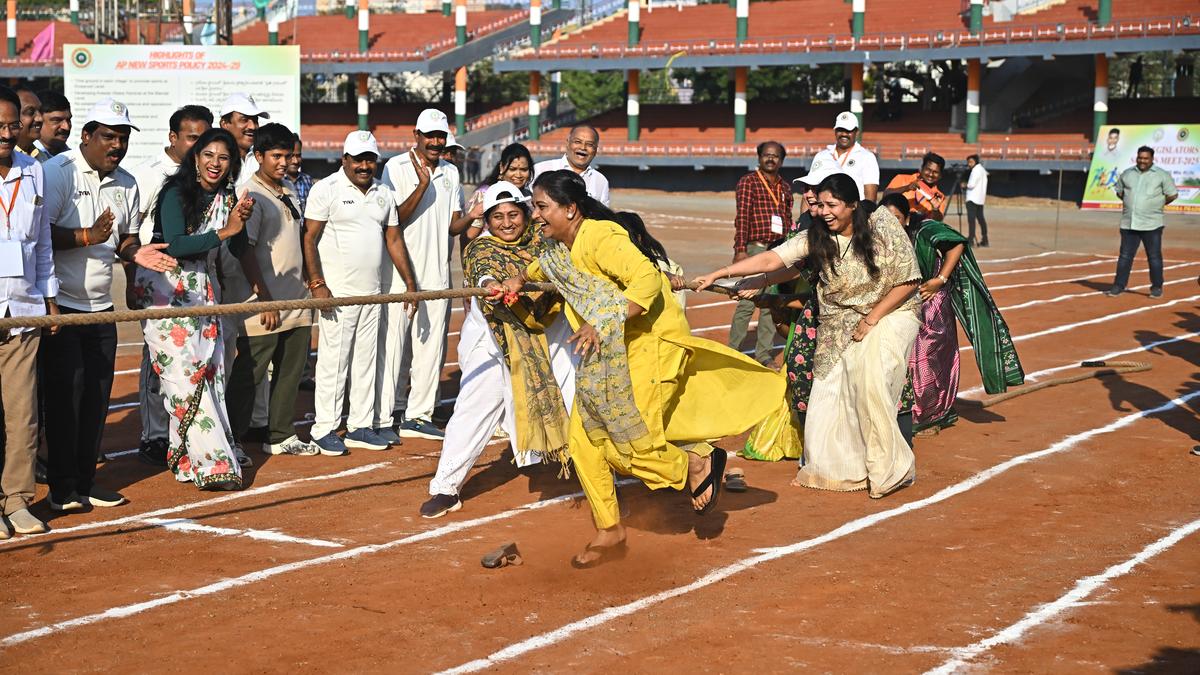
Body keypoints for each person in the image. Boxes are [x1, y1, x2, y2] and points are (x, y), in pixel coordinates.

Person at [500, 170, 783, 568]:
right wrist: (515, 278)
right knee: (582, 442)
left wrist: (602, 322)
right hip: (609, 355)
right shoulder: (563, 245)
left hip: (650, 349)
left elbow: (647, 280)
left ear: (570, 209)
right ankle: (610, 528)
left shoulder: (602, 237)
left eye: (541, 206)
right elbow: (547, 267)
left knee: (633, 446)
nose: (535, 214)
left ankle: (695, 463)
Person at [695, 173, 921, 499]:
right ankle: (840, 471)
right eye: (820, 205)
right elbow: (774, 259)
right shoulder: (815, 235)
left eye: (832, 205)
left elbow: (909, 281)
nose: (824, 211)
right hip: (839, 319)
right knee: (827, 393)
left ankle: (892, 469)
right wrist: (723, 273)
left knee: (870, 373)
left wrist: (872, 320)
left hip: (892, 311)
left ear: (853, 205)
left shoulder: (881, 223)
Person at [42, 97, 173, 509]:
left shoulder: (129, 183)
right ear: (87, 136)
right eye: (108, 137)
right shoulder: (56, 173)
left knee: (97, 396)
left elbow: (126, 240)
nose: (116, 146)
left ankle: (85, 481)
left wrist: (137, 256)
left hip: (103, 308)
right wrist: (85, 237)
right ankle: (62, 488)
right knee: (66, 400)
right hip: (61, 308)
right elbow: (39, 237)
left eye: (122, 138)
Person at [420, 181, 579, 518]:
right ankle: (446, 488)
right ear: (488, 221)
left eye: (513, 215)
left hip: (543, 336)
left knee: (575, 392)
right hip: (493, 343)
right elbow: (483, 274)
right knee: (473, 410)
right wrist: (491, 286)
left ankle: (584, 465)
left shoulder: (543, 240)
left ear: (525, 214)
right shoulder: (480, 249)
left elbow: (566, 264)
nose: (507, 223)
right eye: (497, 217)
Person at [132, 128, 253, 491]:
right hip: (165, 288)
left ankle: (185, 456)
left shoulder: (226, 196)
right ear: (196, 157)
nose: (215, 163)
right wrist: (224, 232)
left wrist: (239, 219)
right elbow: (178, 244)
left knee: (210, 371)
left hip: (201, 289)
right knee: (183, 378)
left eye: (224, 157)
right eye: (209, 155)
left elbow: (235, 245)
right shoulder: (174, 191)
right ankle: (213, 462)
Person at [303, 131, 418, 455]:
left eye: (370, 159)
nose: (365, 166)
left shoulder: (384, 193)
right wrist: (317, 283)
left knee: (367, 360)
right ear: (345, 160)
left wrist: (410, 285)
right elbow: (309, 238)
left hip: (373, 293)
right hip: (338, 294)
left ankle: (359, 425)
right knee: (334, 363)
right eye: (358, 159)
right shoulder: (325, 189)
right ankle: (324, 427)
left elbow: (393, 239)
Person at [882, 194, 1024, 434]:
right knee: (903, 356)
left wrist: (940, 279)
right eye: (885, 219)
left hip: (932, 300)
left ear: (906, 219)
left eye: (895, 218)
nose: (890, 224)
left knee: (926, 357)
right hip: (907, 302)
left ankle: (929, 414)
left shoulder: (925, 229)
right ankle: (908, 409)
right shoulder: (880, 237)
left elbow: (957, 243)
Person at [223, 123, 317, 458]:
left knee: (291, 371)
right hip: (263, 302)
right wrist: (264, 299)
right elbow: (245, 250)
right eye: (276, 155)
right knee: (251, 372)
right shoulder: (252, 195)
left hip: (296, 297)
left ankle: (280, 434)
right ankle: (230, 440)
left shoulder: (288, 189)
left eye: (288, 155)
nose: (284, 162)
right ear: (258, 156)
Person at [130, 104, 213, 466]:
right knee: (158, 361)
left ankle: (187, 437)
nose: (199, 145)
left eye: (205, 138)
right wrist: (134, 278)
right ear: (173, 138)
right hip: (157, 278)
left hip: (194, 280)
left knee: (194, 361)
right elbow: (132, 232)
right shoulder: (150, 175)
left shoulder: (205, 176)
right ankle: (155, 434)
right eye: (193, 137)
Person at [379, 109, 462, 442]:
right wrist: (422, 185)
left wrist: (474, 215)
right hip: (401, 273)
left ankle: (418, 415)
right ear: (416, 134)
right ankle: (390, 410)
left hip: (438, 273)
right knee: (394, 345)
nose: (436, 142)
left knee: (430, 349)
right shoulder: (394, 168)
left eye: (440, 136)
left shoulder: (452, 172)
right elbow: (392, 219)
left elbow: (453, 224)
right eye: (430, 135)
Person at [0, 86, 58, 538]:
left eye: (11, 124)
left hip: (22, 310)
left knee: (22, 413)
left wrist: (48, 297)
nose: (6, 133)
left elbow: (41, 246)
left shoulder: (33, 171)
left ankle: (17, 499)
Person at [729, 141, 793, 366]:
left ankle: (763, 354)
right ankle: (733, 351)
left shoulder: (785, 187)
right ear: (759, 157)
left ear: (781, 160)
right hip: (756, 248)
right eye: (767, 155)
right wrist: (740, 250)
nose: (771, 159)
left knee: (771, 304)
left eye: (776, 156)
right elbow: (742, 217)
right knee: (747, 301)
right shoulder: (749, 182)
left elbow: (788, 219)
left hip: (778, 251)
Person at [1105, 146, 1178, 298]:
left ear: (1152, 159)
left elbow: (1172, 195)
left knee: (1154, 257)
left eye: (1146, 158)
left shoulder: (1161, 175)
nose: (1142, 161)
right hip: (1129, 223)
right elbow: (1120, 192)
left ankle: (1156, 287)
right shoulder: (1127, 174)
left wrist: (1157, 205)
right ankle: (1118, 286)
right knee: (1125, 256)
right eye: (1140, 157)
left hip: (1152, 224)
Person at [453, 142, 534, 244]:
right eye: (512, 169)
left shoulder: (528, 196)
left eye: (523, 169)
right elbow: (468, 237)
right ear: (501, 168)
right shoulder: (485, 194)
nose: (518, 175)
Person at [807, 112, 880, 201]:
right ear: (835, 131)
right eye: (840, 130)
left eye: (848, 130)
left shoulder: (867, 157)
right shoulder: (821, 156)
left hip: (853, 213)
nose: (844, 134)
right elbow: (809, 191)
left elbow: (870, 198)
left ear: (856, 132)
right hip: (823, 212)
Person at [532, 124, 610, 206]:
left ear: (596, 150)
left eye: (590, 144)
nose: (583, 147)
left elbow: (603, 215)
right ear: (568, 143)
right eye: (577, 142)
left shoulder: (601, 181)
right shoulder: (540, 169)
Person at [218, 93, 269, 187]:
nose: (252, 126)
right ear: (224, 124)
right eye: (244, 120)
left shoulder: (264, 157)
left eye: (255, 120)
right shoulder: (214, 160)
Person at [884, 152, 947, 223]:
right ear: (921, 168)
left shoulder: (939, 197)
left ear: (940, 175)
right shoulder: (902, 179)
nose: (931, 174)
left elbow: (937, 221)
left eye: (935, 172)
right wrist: (906, 188)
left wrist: (935, 209)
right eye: (928, 170)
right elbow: (886, 195)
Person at [12, 86, 44, 162]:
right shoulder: (5, 159)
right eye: (30, 112)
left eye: (41, 111)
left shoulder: (43, 158)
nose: (40, 118)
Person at [35, 90, 71, 158]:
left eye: (68, 120)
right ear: (38, 121)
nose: (66, 127)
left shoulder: (73, 158)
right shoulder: (24, 160)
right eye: (57, 120)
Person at [964, 154, 989, 247]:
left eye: (971, 162)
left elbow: (971, 185)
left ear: (975, 161)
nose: (969, 164)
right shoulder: (982, 170)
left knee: (971, 220)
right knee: (981, 219)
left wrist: (964, 184)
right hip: (980, 199)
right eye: (968, 162)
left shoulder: (975, 170)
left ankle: (971, 240)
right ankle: (985, 239)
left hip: (972, 198)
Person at [287, 136, 313, 214]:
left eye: (298, 156)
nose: (295, 161)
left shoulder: (307, 180)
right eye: (291, 156)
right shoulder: (277, 181)